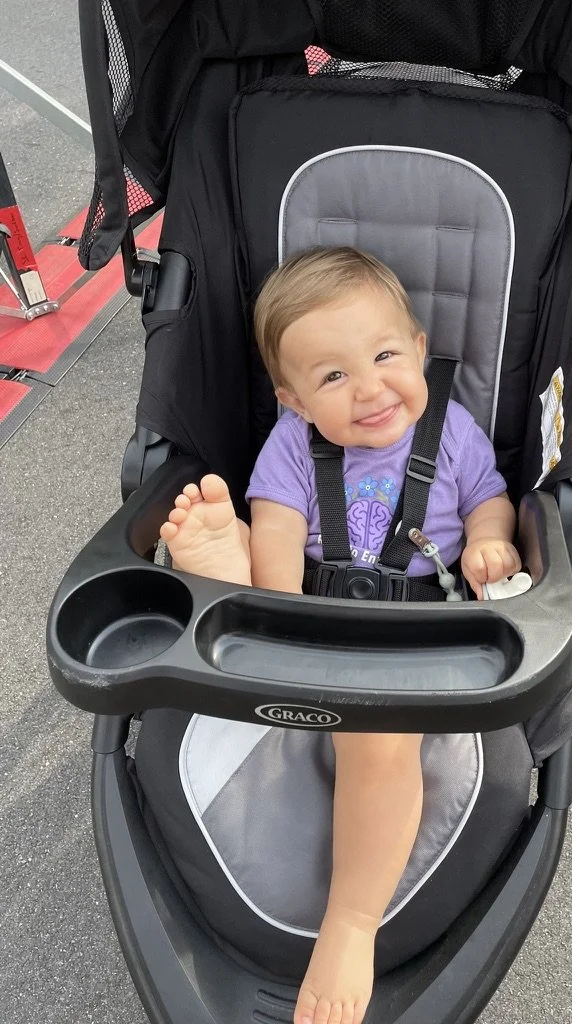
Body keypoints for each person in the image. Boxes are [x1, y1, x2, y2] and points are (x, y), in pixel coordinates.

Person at [160, 247, 521, 1024]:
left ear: (419, 349)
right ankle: (232, 575)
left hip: (421, 636)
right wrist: (279, 603)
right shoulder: (292, 446)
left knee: (379, 740)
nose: (369, 389)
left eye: (385, 356)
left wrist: (493, 539)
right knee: (261, 555)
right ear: (292, 399)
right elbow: (283, 529)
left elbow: (490, 499)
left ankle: (351, 922)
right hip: (314, 614)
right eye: (332, 377)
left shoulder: (453, 432)